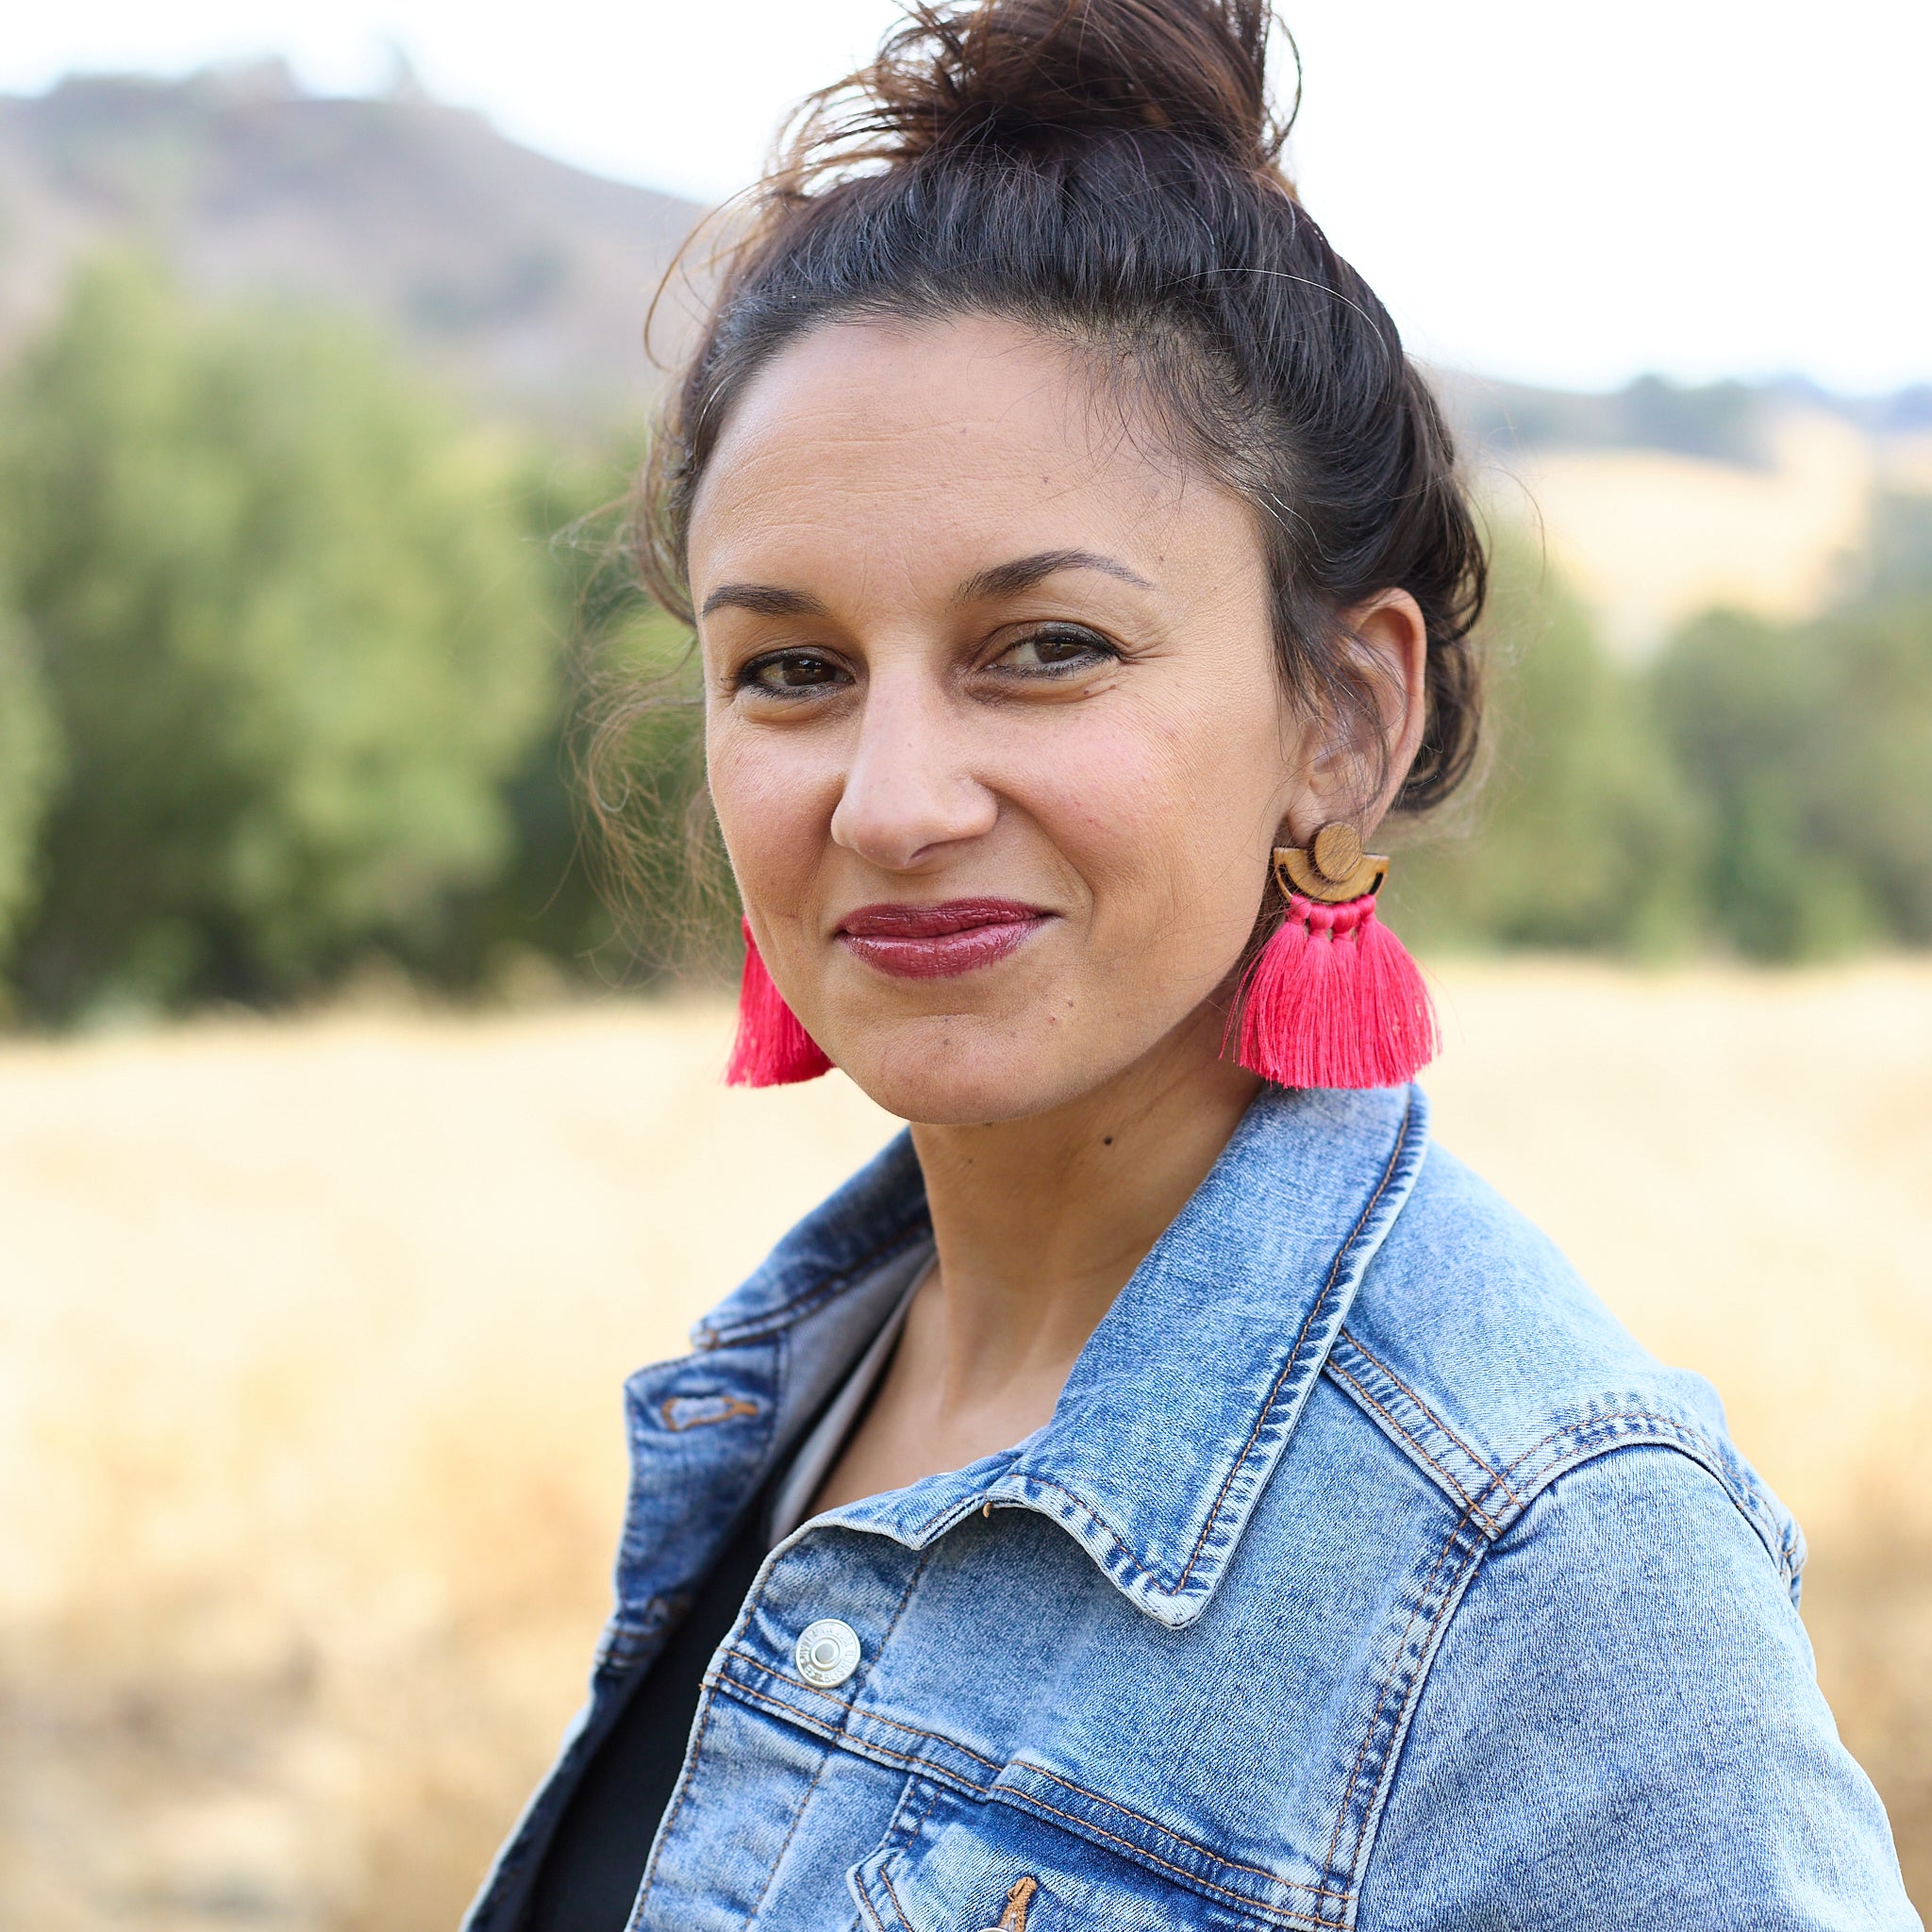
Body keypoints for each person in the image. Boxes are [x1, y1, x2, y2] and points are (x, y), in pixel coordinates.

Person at [465, 3, 1919, 1926]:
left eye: (1044, 646)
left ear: (1342, 715)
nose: (891, 800)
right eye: (793, 669)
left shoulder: (1551, 1570)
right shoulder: (800, 1387)